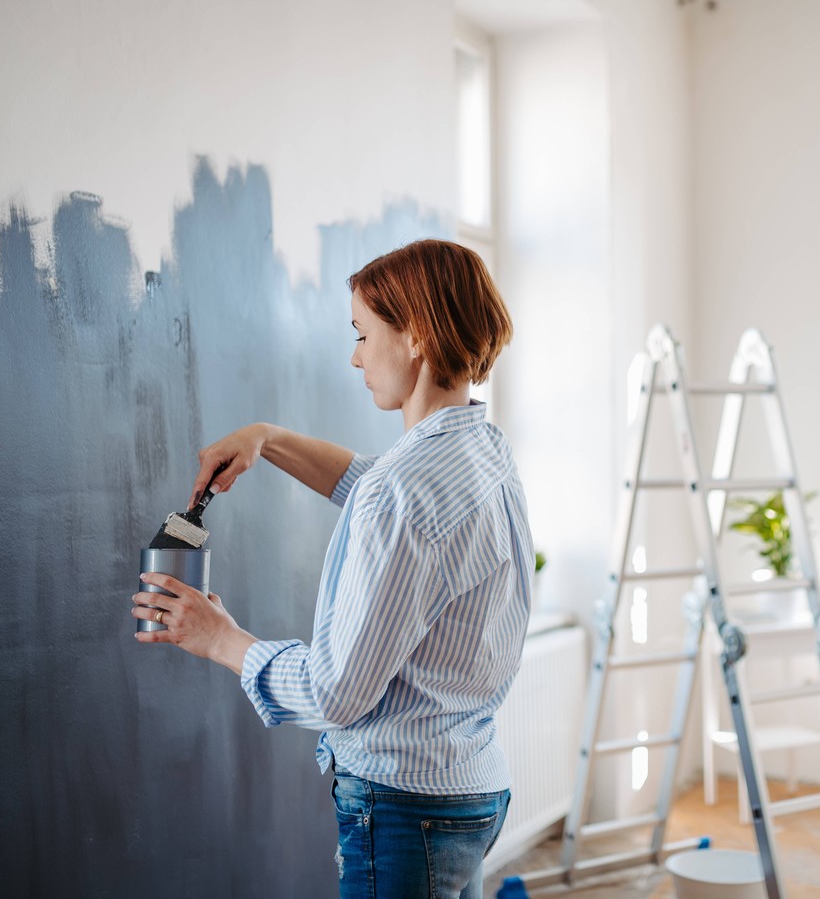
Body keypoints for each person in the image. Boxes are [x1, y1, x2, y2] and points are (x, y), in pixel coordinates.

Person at [130, 239, 532, 899]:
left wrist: (218, 636)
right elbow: (372, 484)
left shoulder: (402, 491)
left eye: (363, 333)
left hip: (403, 806)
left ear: (417, 336)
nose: (354, 355)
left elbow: (337, 692)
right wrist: (269, 436)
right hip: (472, 789)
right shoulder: (483, 452)